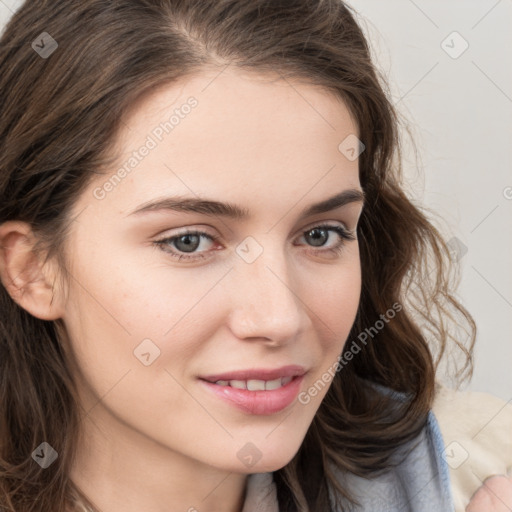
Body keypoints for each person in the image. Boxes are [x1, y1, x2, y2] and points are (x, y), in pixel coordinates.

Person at [0, 1, 510, 511]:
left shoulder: (480, 468)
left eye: (320, 235)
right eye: (189, 241)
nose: (280, 318)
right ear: (32, 270)